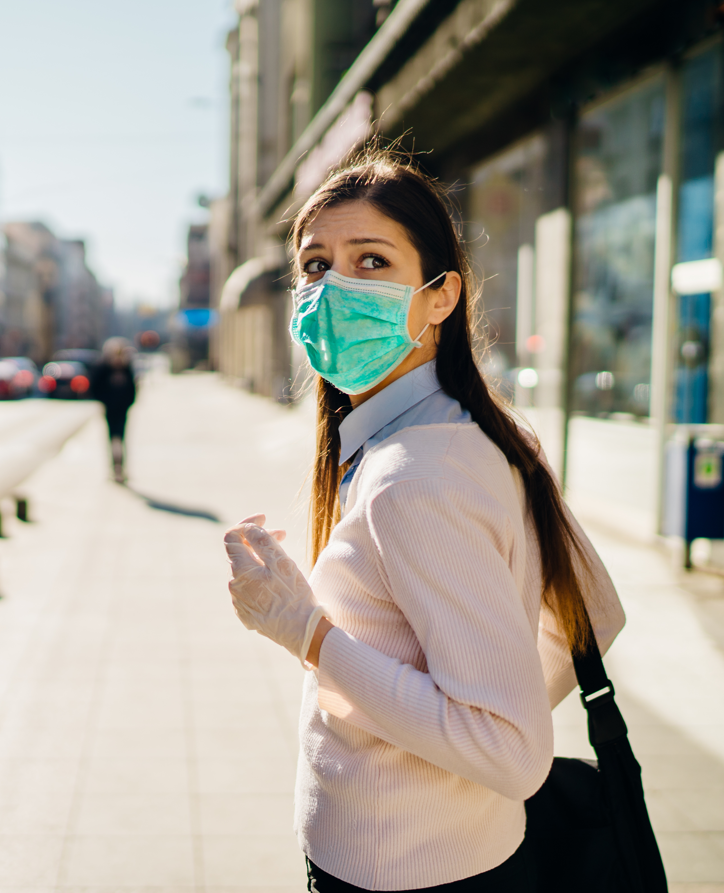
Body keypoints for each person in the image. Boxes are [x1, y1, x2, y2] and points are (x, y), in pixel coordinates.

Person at [222, 152, 626, 892]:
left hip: (403, 873)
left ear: (440, 297)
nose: (332, 288)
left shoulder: (415, 475)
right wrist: (459, 723)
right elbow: (592, 611)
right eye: (314, 266)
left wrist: (303, 629)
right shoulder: (472, 430)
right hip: (449, 853)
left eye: (370, 260)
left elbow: (509, 752)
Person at [90, 337, 137, 483]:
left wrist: (127, 403)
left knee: (120, 438)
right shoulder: (104, 368)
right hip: (110, 409)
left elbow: (133, 389)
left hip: (122, 409)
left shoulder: (126, 368)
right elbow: (95, 387)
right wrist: (105, 402)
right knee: (112, 438)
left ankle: (120, 467)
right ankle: (114, 467)